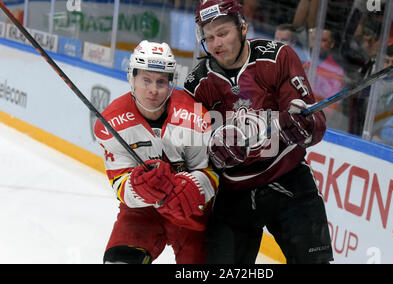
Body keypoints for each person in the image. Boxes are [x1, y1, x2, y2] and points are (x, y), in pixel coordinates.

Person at [185, 0, 333, 264]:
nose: (216, 43)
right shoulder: (196, 84)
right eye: (208, 37)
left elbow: (315, 122)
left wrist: (305, 127)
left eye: (222, 33)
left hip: (288, 180)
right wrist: (212, 153)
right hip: (232, 193)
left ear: (243, 28)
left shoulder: (278, 56)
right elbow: (190, 150)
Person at [94, 41, 218, 264]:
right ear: (132, 78)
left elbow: (209, 171)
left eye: (161, 82)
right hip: (142, 212)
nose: (153, 89)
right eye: (146, 80)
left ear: (171, 84)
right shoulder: (111, 123)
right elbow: (119, 183)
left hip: (188, 212)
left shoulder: (195, 116)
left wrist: (195, 186)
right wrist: (138, 188)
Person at [306, 27, 346, 130]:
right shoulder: (302, 63)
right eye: (314, 39)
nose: (317, 44)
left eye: (323, 40)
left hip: (316, 124)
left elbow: (331, 108)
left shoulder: (336, 72)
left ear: (332, 44)